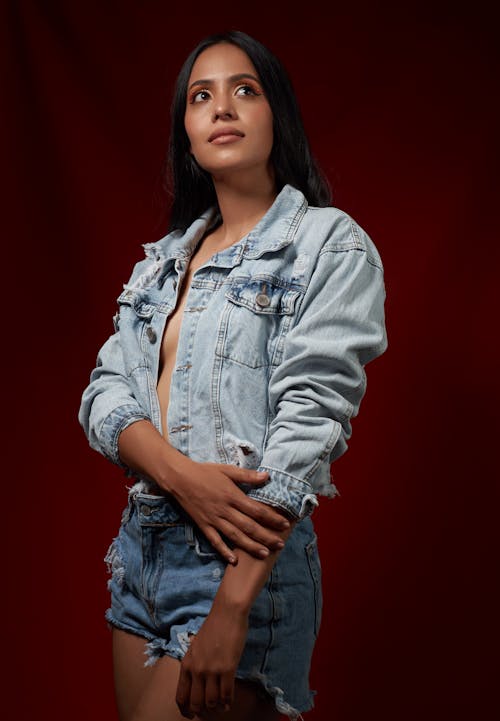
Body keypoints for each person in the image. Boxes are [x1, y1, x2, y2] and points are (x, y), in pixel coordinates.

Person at [78, 29, 388, 721]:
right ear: (186, 133)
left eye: (244, 90)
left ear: (275, 113)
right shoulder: (160, 262)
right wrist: (182, 475)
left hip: (242, 567)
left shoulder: (327, 244)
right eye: (201, 96)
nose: (222, 108)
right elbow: (103, 396)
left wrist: (231, 608)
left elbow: (307, 426)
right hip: (140, 555)